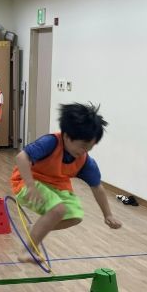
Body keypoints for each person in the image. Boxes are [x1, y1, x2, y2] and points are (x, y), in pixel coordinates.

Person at [10, 103, 122, 260]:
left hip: (57, 188)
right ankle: (27, 251)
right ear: (67, 137)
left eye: (89, 148)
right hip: (27, 183)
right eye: (83, 146)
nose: (85, 151)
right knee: (58, 210)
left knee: (75, 216)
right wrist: (30, 185)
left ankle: (35, 228)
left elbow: (97, 188)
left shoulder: (85, 161)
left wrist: (108, 215)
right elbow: (21, 157)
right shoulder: (50, 142)